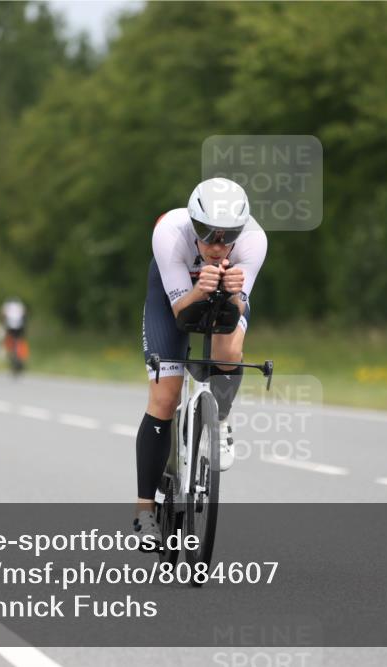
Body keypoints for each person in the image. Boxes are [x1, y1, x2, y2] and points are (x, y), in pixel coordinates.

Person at [133, 177, 267, 542]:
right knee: (164, 398)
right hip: (173, 295)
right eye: (208, 233)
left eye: (228, 235)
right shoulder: (169, 233)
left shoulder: (254, 241)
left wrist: (234, 295)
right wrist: (199, 289)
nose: (218, 246)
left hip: (224, 291)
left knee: (230, 353)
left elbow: (239, 309)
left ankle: (219, 418)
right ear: (194, 224)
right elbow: (181, 313)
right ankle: (145, 511)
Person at [0, 297, 28, 368]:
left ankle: (12, 353)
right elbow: (25, 314)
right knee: (20, 340)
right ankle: (21, 356)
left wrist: (3, 322)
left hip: (10, 326)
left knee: (9, 339)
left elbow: (3, 315)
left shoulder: (7, 305)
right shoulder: (20, 305)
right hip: (20, 326)